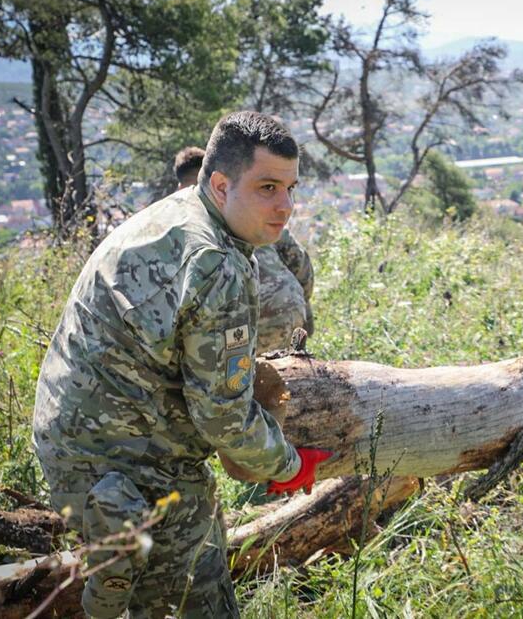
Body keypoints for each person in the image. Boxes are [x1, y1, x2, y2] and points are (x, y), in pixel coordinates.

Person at [33, 112, 332, 618]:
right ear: (221, 185)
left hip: (70, 437)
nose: (285, 206)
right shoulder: (214, 263)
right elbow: (224, 418)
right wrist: (289, 465)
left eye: (290, 188)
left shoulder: (180, 212)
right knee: (198, 599)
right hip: (130, 457)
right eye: (267, 188)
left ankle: (118, 573)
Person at [174, 144, 314, 351]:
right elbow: (303, 270)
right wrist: (303, 305)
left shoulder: (181, 226)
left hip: (240, 332)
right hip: (291, 313)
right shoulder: (249, 211)